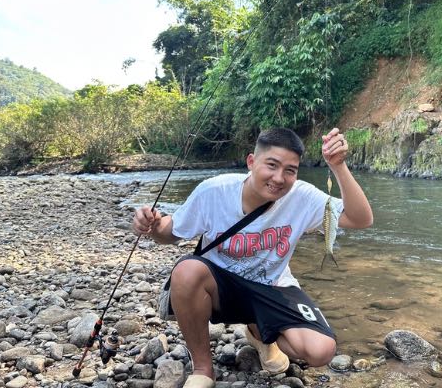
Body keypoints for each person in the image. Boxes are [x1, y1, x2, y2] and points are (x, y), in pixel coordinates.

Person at [132, 127, 371, 388]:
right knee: (187, 270)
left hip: (273, 288)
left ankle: (259, 333)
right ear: (251, 162)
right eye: (272, 165)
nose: (279, 178)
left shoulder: (302, 196)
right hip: (222, 288)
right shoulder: (214, 191)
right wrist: (153, 224)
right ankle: (203, 369)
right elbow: (170, 233)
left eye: (290, 170)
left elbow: (360, 219)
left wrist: (338, 166)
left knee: (321, 350)